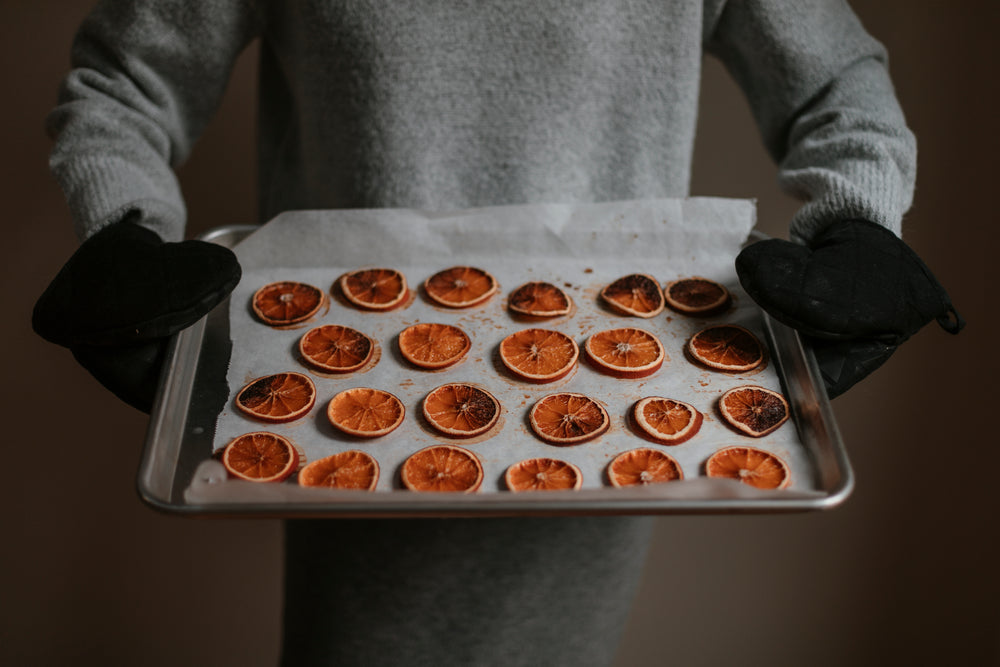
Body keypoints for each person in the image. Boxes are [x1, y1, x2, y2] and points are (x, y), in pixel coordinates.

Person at [33, 1, 963, 665]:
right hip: (334, 403)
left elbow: (840, 78)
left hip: (611, 408)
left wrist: (859, 223)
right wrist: (124, 226)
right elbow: (121, 81)